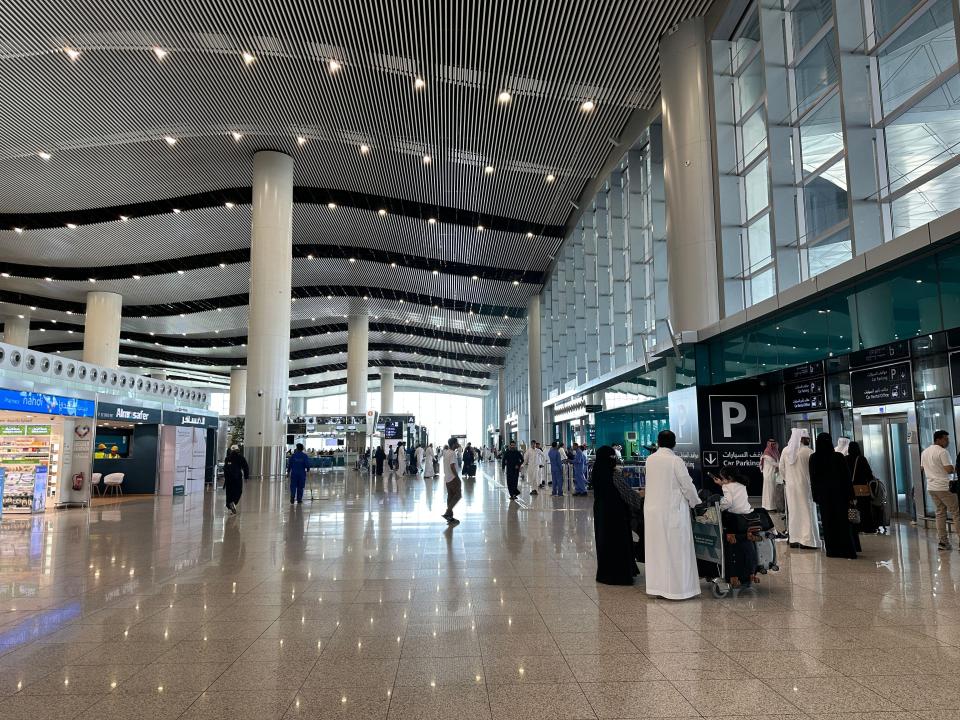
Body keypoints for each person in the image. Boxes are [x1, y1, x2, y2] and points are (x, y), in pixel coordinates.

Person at [643, 430, 701, 600]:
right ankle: (678, 590)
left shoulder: (650, 459)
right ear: (674, 443)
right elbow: (687, 485)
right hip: (672, 511)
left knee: (657, 550)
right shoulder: (675, 460)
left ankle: (657, 588)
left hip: (653, 512)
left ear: (658, 442)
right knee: (677, 550)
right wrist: (696, 502)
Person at [592, 445, 643, 585]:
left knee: (605, 542)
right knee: (618, 543)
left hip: (601, 513)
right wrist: (641, 498)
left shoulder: (596, 471)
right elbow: (626, 494)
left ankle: (605, 574)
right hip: (617, 515)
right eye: (612, 457)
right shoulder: (614, 474)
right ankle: (620, 574)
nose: (614, 459)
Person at [809, 432, 857, 559]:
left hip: (824, 498)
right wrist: (852, 496)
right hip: (840, 496)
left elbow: (813, 479)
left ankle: (832, 550)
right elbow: (846, 478)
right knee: (842, 523)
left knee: (828, 523)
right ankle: (846, 550)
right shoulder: (838, 457)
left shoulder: (814, 458)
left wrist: (816, 496)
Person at [781, 429, 821, 550]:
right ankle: (808, 541)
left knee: (793, 512)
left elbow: (781, 469)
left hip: (790, 487)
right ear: (802, 439)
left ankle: (794, 539)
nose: (808, 439)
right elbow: (815, 471)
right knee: (807, 511)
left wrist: (788, 479)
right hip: (805, 486)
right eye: (807, 438)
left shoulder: (785, 451)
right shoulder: (808, 452)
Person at [922, 430, 958, 551]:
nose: (948, 441)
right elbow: (948, 469)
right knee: (956, 513)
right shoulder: (942, 452)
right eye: (945, 439)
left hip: (931, 487)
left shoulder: (925, 452)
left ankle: (943, 542)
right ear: (938, 439)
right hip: (944, 487)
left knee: (940, 513)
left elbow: (922, 468)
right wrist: (954, 467)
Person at [846, 441, 878, 534]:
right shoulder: (861, 459)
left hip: (850, 489)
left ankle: (854, 526)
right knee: (865, 508)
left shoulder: (845, 459)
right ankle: (867, 527)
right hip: (862, 489)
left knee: (852, 507)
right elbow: (869, 474)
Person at [223, 444, 249, 515]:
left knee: (229, 493)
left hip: (228, 479)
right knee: (238, 491)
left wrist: (225, 478)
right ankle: (233, 502)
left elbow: (225, 469)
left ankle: (230, 506)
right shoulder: (241, 458)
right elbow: (245, 467)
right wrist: (246, 477)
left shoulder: (227, 458)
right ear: (238, 450)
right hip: (237, 478)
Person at [442, 437, 462, 525]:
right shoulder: (453, 453)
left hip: (447, 478)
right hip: (453, 478)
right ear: (454, 444)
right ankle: (448, 512)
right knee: (458, 495)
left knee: (450, 496)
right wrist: (457, 477)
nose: (458, 444)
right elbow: (452, 466)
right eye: (457, 443)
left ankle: (450, 517)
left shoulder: (446, 452)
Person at [760, 439, 782, 515]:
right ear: (769, 445)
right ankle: (769, 508)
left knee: (773, 491)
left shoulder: (775, 452)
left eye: (774, 444)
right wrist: (784, 465)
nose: (773, 446)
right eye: (772, 444)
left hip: (774, 475)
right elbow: (774, 464)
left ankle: (774, 507)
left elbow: (778, 462)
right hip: (769, 475)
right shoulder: (767, 454)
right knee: (769, 492)